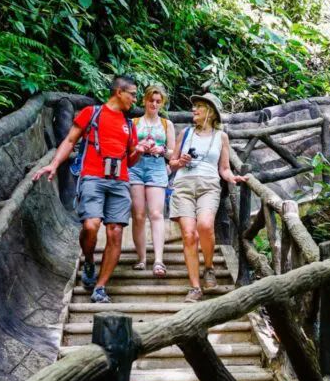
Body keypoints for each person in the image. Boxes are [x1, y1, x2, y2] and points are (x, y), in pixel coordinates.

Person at [33, 75, 150, 304]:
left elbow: (131, 160)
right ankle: (88, 260)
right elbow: (69, 141)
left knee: (115, 232)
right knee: (91, 225)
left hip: (120, 181)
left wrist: (140, 150)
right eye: (132, 94)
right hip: (93, 178)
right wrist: (54, 164)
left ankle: (100, 286)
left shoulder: (129, 124)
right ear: (118, 92)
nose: (134, 100)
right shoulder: (92, 113)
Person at [168, 93, 247, 303]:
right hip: (183, 185)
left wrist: (234, 178)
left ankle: (209, 267)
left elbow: (224, 168)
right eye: (194, 106)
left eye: (199, 107)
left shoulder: (221, 137)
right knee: (188, 234)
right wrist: (180, 162)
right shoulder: (185, 133)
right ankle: (195, 287)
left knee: (204, 226)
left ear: (211, 112)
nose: (194, 110)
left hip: (209, 186)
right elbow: (171, 164)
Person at [129, 85, 176, 277]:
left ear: (162, 103)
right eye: (151, 100)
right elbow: (128, 149)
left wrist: (162, 150)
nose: (154, 104)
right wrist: (140, 147)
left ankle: (158, 260)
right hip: (136, 167)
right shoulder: (134, 122)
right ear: (145, 100)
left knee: (156, 213)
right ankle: (141, 258)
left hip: (157, 167)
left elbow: (173, 152)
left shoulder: (167, 124)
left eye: (158, 101)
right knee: (138, 214)